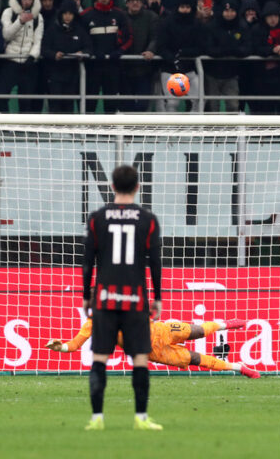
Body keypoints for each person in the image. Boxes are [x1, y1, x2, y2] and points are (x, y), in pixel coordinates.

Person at [81, 164, 164, 431]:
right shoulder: (148, 220)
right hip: (136, 300)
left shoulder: (97, 218)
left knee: (100, 358)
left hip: (105, 299)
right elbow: (156, 262)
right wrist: (158, 297)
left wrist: (86, 295)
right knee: (140, 358)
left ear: (113, 187)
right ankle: (140, 417)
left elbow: (87, 261)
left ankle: (97, 419)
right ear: (137, 187)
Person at [46, 317, 259, 377]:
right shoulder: (92, 324)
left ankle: (226, 324)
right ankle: (239, 368)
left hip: (162, 331)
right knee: (196, 360)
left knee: (198, 331)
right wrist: (60, 347)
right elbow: (74, 345)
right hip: (153, 352)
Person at [0, 0, 44, 112]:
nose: (27, 2)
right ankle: (4, 128)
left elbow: (37, 40)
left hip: (28, 63)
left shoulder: (38, 17)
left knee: (26, 101)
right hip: (10, 60)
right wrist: (20, 21)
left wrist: (32, 57)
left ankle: (23, 131)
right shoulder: (8, 12)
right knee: (1, 97)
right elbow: (6, 35)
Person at [41, 0, 91, 113]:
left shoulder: (79, 30)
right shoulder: (52, 30)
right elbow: (44, 49)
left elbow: (89, 47)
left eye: (70, 14)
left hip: (72, 75)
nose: (67, 16)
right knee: (55, 105)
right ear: (61, 14)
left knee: (69, 106)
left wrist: (82, 53)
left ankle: (68, 131)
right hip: (55, 75)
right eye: (65, 13)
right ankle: (54, 131)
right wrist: (54, 55)